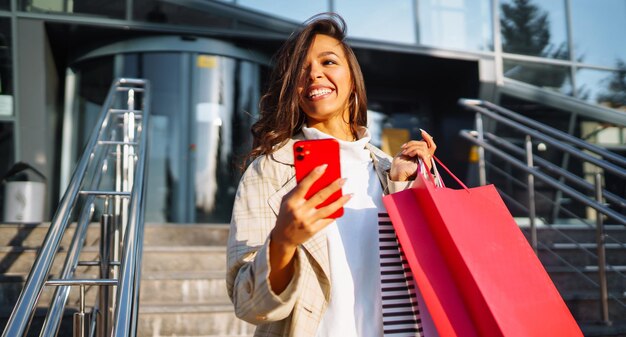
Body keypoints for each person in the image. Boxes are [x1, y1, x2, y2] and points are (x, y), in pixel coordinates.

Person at [226, 13, 437, 337]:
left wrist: (409, 185)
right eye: (302, 69)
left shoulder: (388, 169)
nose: (315, 75)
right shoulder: (268, 171)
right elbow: (248, 304)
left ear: (353, 76)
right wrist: (282, 241)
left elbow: (432, 272)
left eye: (328, 61)